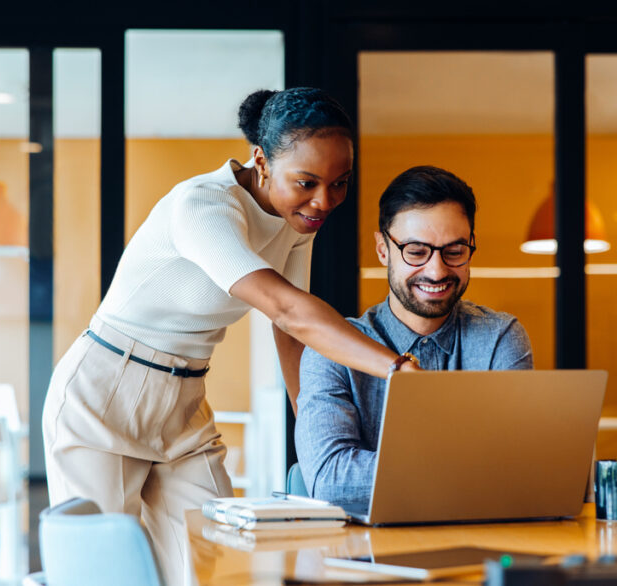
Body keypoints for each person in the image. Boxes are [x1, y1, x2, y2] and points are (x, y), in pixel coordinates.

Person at [42, 87, 419, 586]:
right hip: (104, 392)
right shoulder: (202, 207)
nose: (323, 201)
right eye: (306, 182)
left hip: (184, 400)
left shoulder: (297, 221)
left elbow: (291, 335)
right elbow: (287, 310)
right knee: (106, 574)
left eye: (340, 183)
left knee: (218, 564)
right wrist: (397, 367)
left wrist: (312, 433)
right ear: (261, 160)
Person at [294, 165, 533, 506]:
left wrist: (417, 473)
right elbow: (331, 481)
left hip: (480, 550)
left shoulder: (500, 338)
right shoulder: (330, 350)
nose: (436, 271)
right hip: (366, 557)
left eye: (454, 252)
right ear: (382, 250)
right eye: (417, 252)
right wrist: (475, 468)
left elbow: (523, 472)